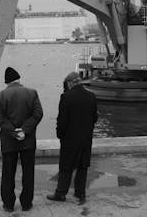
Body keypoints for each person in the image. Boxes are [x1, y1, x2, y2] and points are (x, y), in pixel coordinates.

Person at [0, 67, 43, 212]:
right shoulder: (32, 93)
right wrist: (24, 130)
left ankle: (8, 204)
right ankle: (26, 203)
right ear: (19, 79)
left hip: (9, 141)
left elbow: (0, 119)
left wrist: (14, 132)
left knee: (8, 173)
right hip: (27, 141)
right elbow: (38, 114)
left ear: (7, 82)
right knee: (28, 173)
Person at [47, 71, 98, 204]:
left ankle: (61, 193)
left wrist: (60, 134)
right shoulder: (91, 96)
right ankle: (80, 194)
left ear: (70, 83)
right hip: (86, 139)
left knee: (66, 167)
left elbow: (62, 120)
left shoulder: (66, 97)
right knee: (82, 166)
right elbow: (95, 118)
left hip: (70, 139)